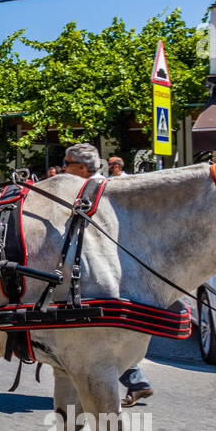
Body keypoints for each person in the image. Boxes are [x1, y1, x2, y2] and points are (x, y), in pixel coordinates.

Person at [61, 142, 153, 407]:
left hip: (104, 268)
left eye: (66, 164)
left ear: (80, 167)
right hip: (103, 265)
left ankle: (133, 382)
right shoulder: (96, 186)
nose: (63, 168)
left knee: (97, 332)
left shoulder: (98, 190)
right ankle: (136, 382)